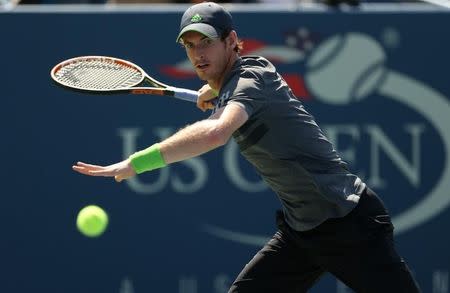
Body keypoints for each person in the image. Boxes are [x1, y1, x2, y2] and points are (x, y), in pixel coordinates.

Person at [73, 2, 421, 292]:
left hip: (346, 220)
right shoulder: (232, 84)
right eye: (190, 45)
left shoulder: (252, 78)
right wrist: (219, 90)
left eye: (206, 42)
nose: (198, 54)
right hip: (302, 231)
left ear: (232, 41)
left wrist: (136, 163)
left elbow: (215, 134)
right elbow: (225, 95)